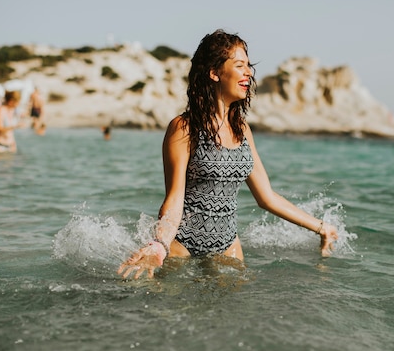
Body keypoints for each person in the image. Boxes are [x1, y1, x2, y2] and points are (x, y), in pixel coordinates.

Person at [118, 29, 339, 280]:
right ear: (214, 73)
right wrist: (159, 244)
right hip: (182, 246)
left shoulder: (242, 129)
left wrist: (321, 227)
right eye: (239, 65)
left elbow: (267, 197)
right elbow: (175, 199)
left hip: (228, 246)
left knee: (236, 316)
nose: (249, 72)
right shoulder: (184, 128)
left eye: (249, 65)